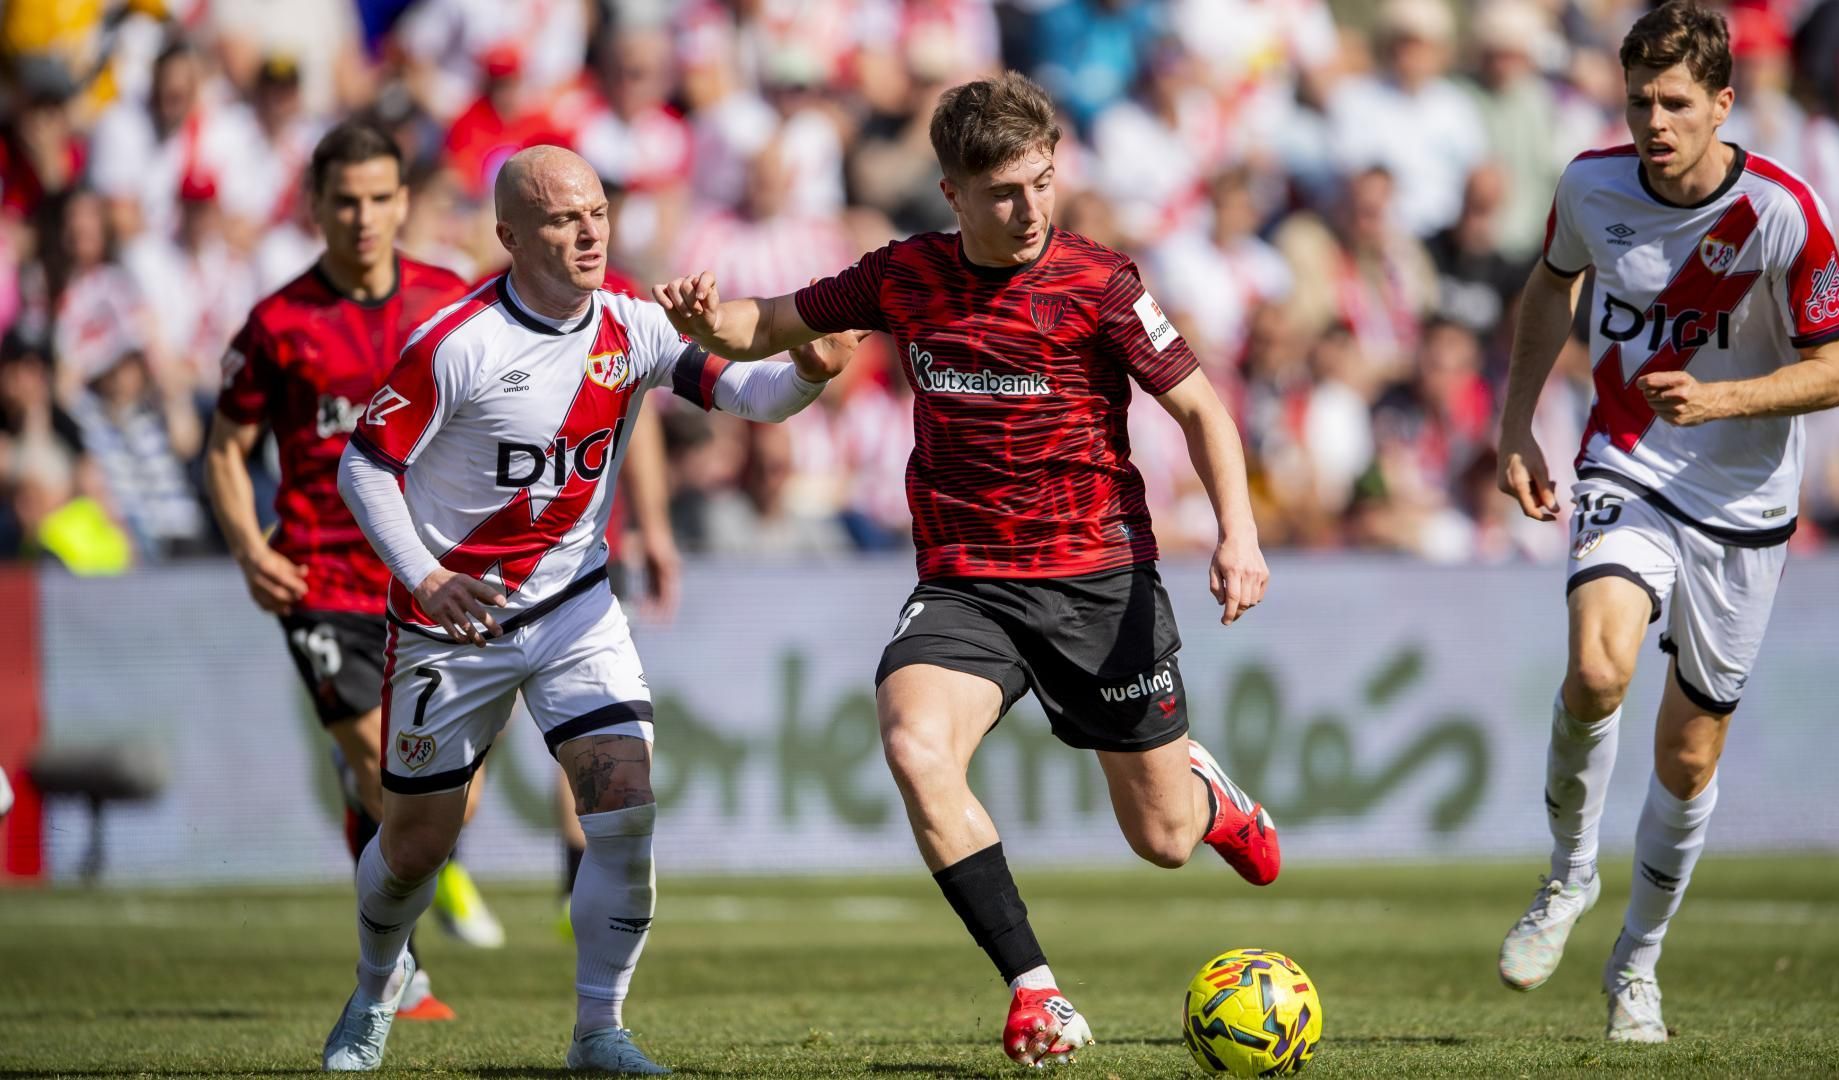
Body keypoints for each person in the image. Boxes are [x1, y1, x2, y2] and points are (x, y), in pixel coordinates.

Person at [652, 70, 1279, 1068]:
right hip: (967, 582)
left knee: (1161, 839)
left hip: (1097, 580)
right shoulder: (903, 276)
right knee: (914, 744)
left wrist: (1239, 536)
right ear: (953, 193)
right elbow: (765, 324)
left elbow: (1202, 408)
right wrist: (701, 318)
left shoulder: (1099, 282)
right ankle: (1038, 993)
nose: (1028, 208)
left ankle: (1208, 795)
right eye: (1001, 192)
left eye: (1040, 183)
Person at [324, 144, 858, 1074]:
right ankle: (375, 991)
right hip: (456, 622)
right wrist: (423, 576)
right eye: (565, 217)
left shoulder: (634, 322)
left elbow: (756, 397)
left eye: (599, 212)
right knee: (415, 846)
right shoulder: (459, 341)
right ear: (510, 235)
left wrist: (809, 369)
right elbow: (364, 464)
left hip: (574, 610)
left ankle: (599, 1031)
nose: (589, 231)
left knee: (625, 805)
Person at [1492, 2, 1839, 1042]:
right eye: (1639, 101)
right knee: (1599, 668)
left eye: (1675, 103)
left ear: (1722, 105)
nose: (1653, 122)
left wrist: (1728, 400)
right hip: (1631, 463)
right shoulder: (1589, 185)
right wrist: (1516, 427)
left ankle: (1636, 965)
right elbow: (1548, 290)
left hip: (1746, 502)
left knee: (1690, 756)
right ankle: (1567, 879)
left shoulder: (1784, 212)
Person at [206, 123, 509, 1024]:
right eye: (345, 200)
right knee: (386, 769)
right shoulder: (277, 324)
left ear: (405, 202)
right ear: (315, 206)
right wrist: (248, 548)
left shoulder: (450, 301)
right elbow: (228, 446)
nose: (364, 216)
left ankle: (378, 836)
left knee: (449, 798)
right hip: (322, 578)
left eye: (380, 198)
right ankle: (400, 968)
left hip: (430, 576)